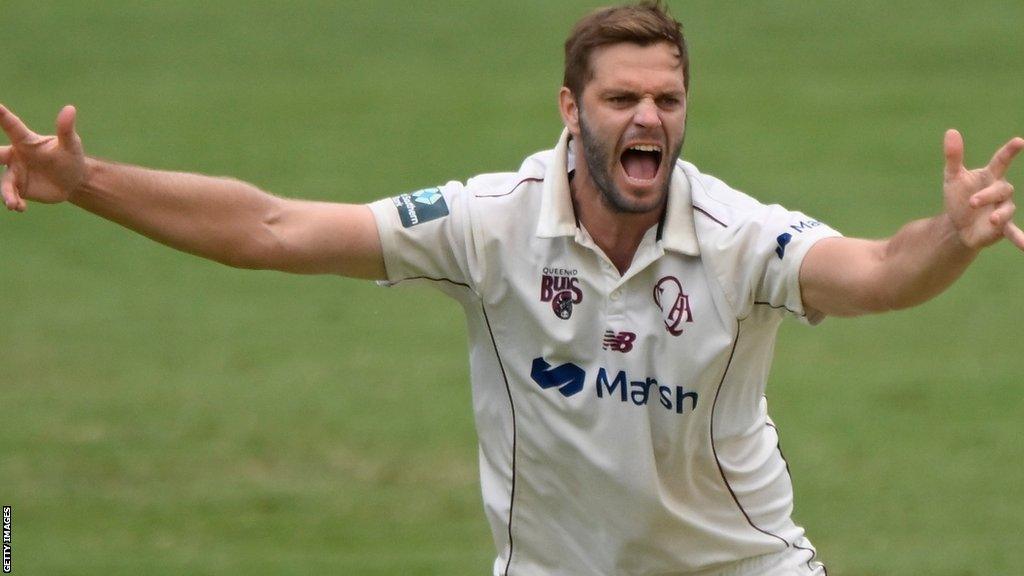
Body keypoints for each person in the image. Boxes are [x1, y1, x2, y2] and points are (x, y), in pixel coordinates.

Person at [1, 2, 1021, 575]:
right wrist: (89, 183)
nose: (649, 118)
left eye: (668, 99)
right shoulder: (490, 223)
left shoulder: (735, 237)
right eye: (622, 97)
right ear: (569, 108)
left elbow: (880, 273)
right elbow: (271, 228)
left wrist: (953, 237)